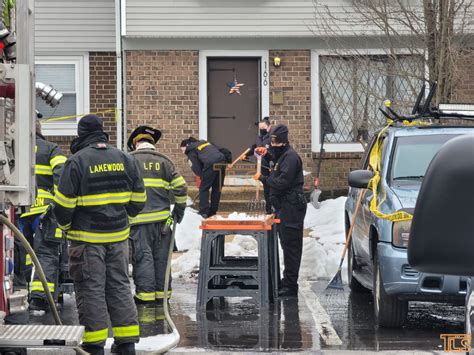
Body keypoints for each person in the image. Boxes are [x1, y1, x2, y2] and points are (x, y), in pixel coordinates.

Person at [53, 114, 146, 355]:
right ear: (102, 132)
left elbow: (63, 206)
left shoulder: (76, 162)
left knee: (91, 289)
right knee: (120, 286)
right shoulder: (125, 158)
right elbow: (139, 200)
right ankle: (126, 344)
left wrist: (65, 227)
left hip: (87, 241)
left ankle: (94, 346)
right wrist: (123, 219)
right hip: (118, 238)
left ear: (80, 134)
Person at [127, 125, 188, 304]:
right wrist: (177, 213)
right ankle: (162, 297)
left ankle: (145, 298)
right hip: (165, 220)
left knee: (143, 257)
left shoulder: (129, 160)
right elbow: (181, 188)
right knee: (162, 257)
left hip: (137, 221)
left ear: (136, 143)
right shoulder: (165, 162)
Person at [17, 120, 67, 311]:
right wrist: (58, 203)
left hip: (20, 211)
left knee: (21, 252)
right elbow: (62, 175)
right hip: (46, 212)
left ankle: (19, 290)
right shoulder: (52, 149)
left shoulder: (15, 147)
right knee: (46, 253)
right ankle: (40, 297)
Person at [254, 124, 307, 297]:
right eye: (271, 142)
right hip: (283, 206)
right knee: (285, 244)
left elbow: (283, 182)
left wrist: (264, 178)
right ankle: (285, 281)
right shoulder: (282, 156)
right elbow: (275, 167)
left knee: (291, 247)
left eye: (275, 142)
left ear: (283, 142)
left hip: (292, 207)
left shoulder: (290, 158)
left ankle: (291, 285)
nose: (273, 145)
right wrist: (266, 155)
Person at [180, 137, 230, 218]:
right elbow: (224, 150)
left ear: (187, 146)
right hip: (222, 161)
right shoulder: (206, 143)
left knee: (203, 188)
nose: (183, 152)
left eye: (183, 150)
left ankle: (204, 212)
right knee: (217, 188)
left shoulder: (191, 151)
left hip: (210, 164)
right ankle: (213, 211)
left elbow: (196, 167)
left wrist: (203, 177)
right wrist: (228, 161)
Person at [243, 117, 273, 214]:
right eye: (260, 128)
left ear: (269, 127)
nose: (262, 130)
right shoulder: (259, 138)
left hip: (270, 168)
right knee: (266, 189)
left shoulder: (272, 138)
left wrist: (272, 165)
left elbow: (275, 154)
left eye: (263, 128)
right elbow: (253, 148)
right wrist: (246, 155)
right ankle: (268, 210)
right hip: (261, 167)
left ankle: (272, 210)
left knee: (271, 189)